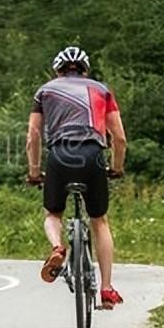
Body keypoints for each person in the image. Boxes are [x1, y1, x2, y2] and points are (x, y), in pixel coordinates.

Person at [26, 46, 127, 309]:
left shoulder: (44, 91)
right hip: (93, 155)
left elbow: (33, 137)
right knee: (100, 221)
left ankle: (58, 247)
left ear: (58, 70)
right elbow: (119, 138)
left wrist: (35, 172)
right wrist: (116, 168)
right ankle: (106, 289)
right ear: (85, 69)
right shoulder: (102, 90)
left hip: (59, 155)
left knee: (52, 213)